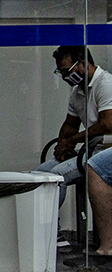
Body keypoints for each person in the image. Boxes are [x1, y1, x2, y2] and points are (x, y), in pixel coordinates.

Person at [34, 46, 112, 205]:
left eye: (66, 71)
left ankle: (51, 227)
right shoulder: (77, 92)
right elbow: (70, 124)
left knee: (57, 176)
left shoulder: (105, 84)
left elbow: (108, 124)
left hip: (105, 149)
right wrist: (63, 145)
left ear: (83, 63)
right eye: (61, 73)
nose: (64, 77)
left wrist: (72, 140)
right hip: (90, 149)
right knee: (40, 174)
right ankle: (41, 226)